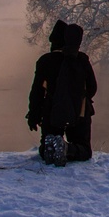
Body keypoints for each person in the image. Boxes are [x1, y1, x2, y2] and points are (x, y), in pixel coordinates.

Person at [27, 20, 97, 165]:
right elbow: (92, 88)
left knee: (47, 145)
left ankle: (52, 147)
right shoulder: (82, 59)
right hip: (80, 112)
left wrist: (34, 116)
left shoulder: (45, 61)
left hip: (51, 112)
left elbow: (36, 93)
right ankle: (67, 149)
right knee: (84, 150)